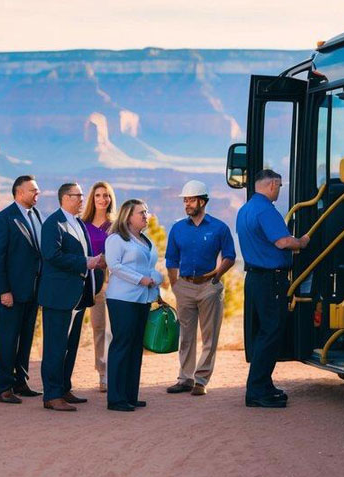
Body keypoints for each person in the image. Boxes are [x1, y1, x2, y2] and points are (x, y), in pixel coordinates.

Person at [236, 169, 309, 408]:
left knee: (262, 332)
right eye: (279, 186)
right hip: (271, 279)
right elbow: (282, 241)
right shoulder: (266, 210)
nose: (279, 190)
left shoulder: (245, 209)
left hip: (254, 279)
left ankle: (263, 384)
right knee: (271, 331)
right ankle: (257, 391)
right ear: (272, 185)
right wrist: (301, 242)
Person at [165, 180, 236, 396]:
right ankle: (185, 378)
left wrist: (218, 274)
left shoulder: (219, 228)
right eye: (185, 200)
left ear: (203, 201)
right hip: (184, 286)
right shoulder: (177, 228)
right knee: (185, 335)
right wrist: (175, 286)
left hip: (209, 287)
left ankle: (201, 380)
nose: (187, 204)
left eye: (191, 200)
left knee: (209, 336)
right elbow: (171, 260)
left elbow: (230, 256)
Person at [38, 183, 105, 411]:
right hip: (58, 297)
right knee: (55, 346)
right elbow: (51, 255)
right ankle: (52, 395)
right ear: (66, 198)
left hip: (78, 296)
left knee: (70, 346)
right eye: (79, 196)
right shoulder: (53, 224)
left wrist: (95, 262)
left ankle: (64, 388)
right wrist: (86, 261)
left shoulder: (77, 223)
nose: (82, 199)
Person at [0, 175, 43, 403]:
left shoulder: (36, 215)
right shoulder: (3, 219)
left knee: (26, 338)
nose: (37, 194)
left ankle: (21, 381)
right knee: (7, 339)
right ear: (19, 193)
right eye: (33, 190)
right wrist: (3, 291)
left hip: (33, 291)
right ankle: (3, 388)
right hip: (11, 292)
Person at [104, 199, 161, 412]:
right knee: (122, 344)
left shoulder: (145, 240)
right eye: (141, 213)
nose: (146, 216)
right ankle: (116, 399)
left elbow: (150, 267)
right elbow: (115, 266)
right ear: (128, 216)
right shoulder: (116, 239)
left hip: (142, 299)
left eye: (146, 212)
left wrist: (156, 280)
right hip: (122, 299)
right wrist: (141, 279)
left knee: (136, 346)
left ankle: (130, 395)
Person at [80, 180, 116, 392]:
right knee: (99, 327)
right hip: (89, 282)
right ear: (92, 199)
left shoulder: (116, 225)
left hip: (114, 281)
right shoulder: (82, 224)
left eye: (107, 195)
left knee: (116, 329)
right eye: (98, 195)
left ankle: (112, 373)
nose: (103, 199)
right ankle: (101, 371)